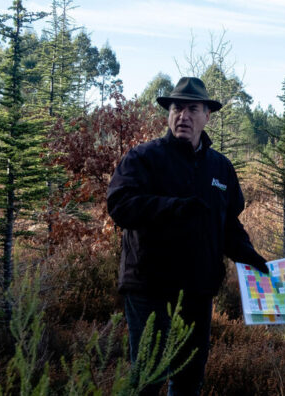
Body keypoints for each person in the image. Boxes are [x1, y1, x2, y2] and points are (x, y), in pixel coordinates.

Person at [107, 77, 269, 395]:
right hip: (149, 287)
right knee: (148, 378)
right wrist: (173, 208)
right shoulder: (143, 159)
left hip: (197, 290)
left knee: (189, 378)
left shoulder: (220, 168)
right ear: (168, 114)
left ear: (207, 115)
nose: (183, 116)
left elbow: (226, 222)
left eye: (192, 109)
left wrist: (247, 253)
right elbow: (120, 205)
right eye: (177, 108)